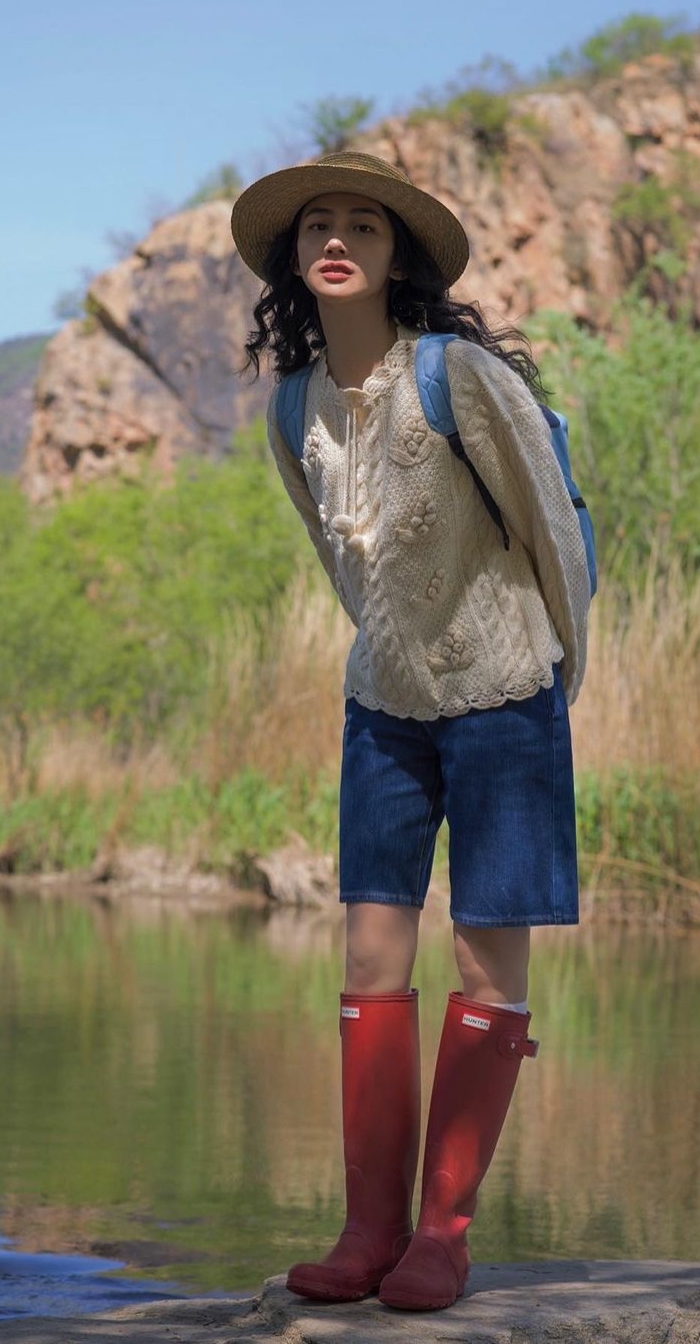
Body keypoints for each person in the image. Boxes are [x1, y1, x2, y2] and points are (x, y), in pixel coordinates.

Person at [230, 152, 591, 1313]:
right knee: (368, 963)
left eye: (363, 228)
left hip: (504, 693)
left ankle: (443, 1232)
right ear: (297, 258)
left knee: (488, 959)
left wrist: (554, 678)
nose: (337, 239)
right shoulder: (291, 410)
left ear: (396, 259)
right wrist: (390, 655)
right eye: (317, 227)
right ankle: (367, 1228)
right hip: (381, 707)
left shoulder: (458, 376)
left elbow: (551, 527)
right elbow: (346, 565)